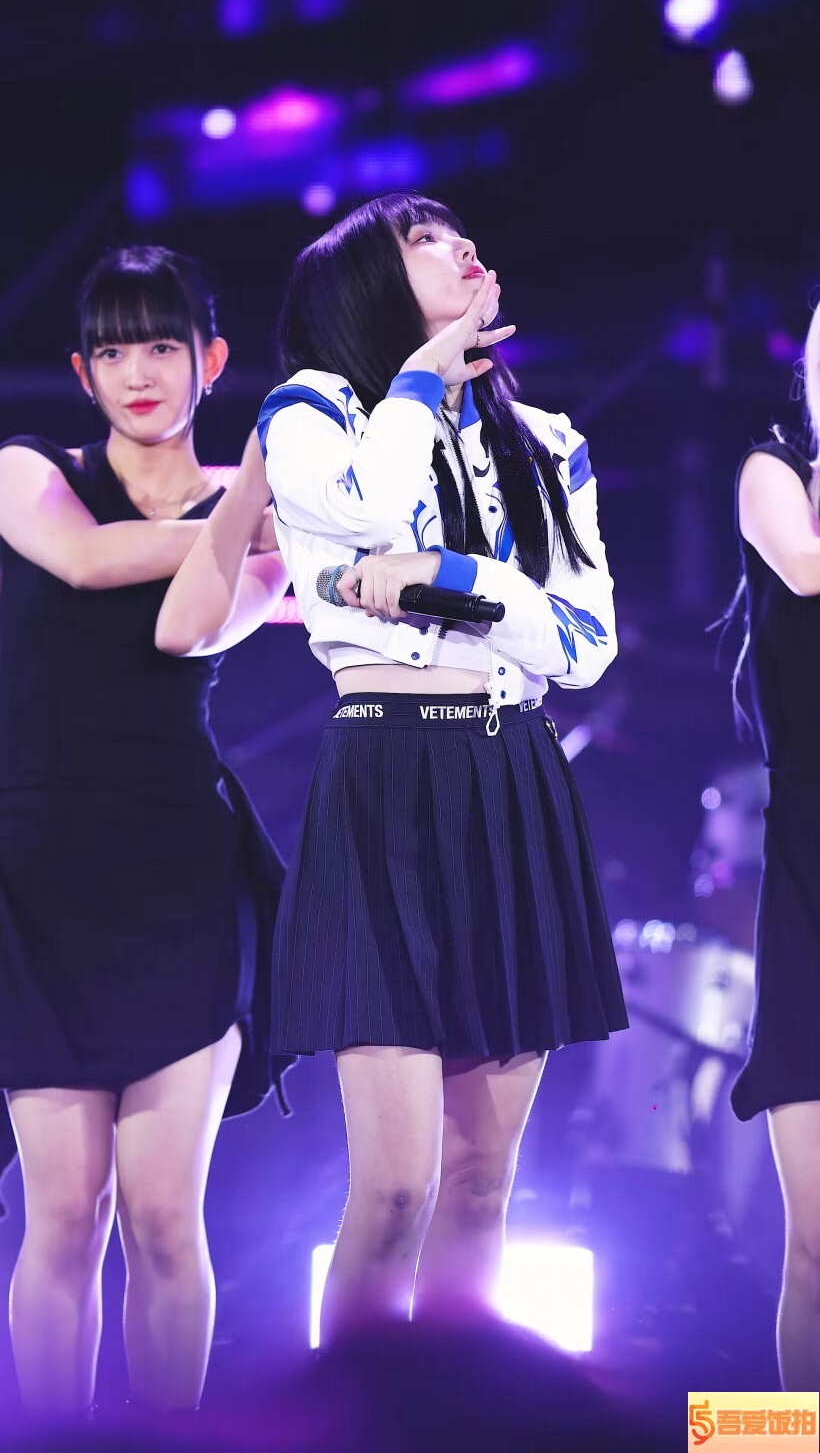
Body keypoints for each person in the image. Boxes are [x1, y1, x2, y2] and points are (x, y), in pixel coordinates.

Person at [171, 192, 626, 1344]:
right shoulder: (309, 416)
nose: (464, 247)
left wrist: (462, 581)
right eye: (425, 241)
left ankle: (463, 1411)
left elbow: (584, 645)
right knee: (394, 1189)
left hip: (512, 774)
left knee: (482, 1182)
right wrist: (423, 376)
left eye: (462, 234)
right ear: (366, 285)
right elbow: (374, 509)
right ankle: (361, 1414)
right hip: (385, 774)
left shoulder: (548, 443)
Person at [0, 245, 290, 1419]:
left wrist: (254, 518)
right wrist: (251, 519)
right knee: (63, 1209)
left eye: (162, 345)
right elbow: (82, 560)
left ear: (209, 360)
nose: (137, 372)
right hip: (35, 871)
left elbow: (198, 626)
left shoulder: (254, 509)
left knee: (166, 1213)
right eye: (112, 350)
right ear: (81, 370)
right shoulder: (28, 471)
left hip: (177, 868)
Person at [728, 296, 820, 1391]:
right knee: (815, 1241)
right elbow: (801, 563)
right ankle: (791, 1441)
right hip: (811, 860)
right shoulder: (775, 469)